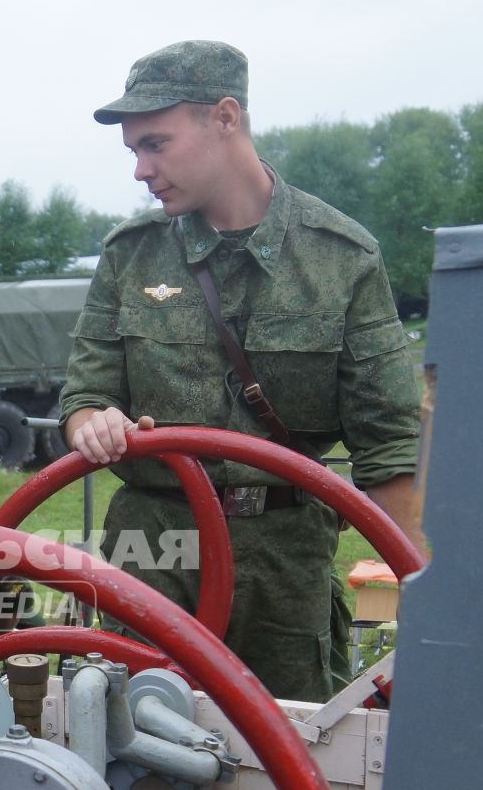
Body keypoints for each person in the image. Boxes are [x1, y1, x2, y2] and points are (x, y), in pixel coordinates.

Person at [61, 40, 422, 703]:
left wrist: (425, 597)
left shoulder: (340, 257)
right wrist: (92, 423)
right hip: (153, 547)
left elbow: (389, 443)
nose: (141, 169)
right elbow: (84, 394)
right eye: (133, 151)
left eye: (156, 144)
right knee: (134, 736)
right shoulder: (130, 256)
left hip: (283, 558)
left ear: (224, 118)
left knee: (293, 745)